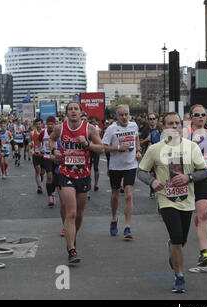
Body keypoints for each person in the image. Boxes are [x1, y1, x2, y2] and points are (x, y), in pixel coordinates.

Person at [138, 112, 207, 293]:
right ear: (163, 127)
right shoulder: (154, 149)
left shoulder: (192, 147)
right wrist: (152, 182)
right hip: (166, 200)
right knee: (177, 237)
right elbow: (141, 171)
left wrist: (188, 177)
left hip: (187, 200)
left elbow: (203, 172)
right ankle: (179, 276)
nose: (175, 126)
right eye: (170, 124)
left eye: (177, 123)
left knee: (181, 239)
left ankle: (174, 250)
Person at [49, 101, 104, 264]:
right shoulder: (60, 128)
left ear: (81, 112)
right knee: (71, 212)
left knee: (79, 214)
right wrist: (54, 151)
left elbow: (101, 148)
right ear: (66, 113)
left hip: (84, 174)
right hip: (66, 173)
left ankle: (72, 237)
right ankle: (71, 249)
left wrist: (86, 143)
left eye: (76, 109)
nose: (73, 112)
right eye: (70, 109)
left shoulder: (89, 129)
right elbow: (52, 140)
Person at [102, 105, 142, 241]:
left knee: (129, 195)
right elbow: (104, 148)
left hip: (130, 165)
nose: (124, 117)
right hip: (115, 167)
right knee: (115, 196)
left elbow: (136, 138)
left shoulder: (134, 125)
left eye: (126, 114)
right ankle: (114, 218)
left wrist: (138, 150)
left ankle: (127, 226)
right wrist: (118, 147)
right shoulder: (111, 129)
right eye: (121, 115)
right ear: (116, 116)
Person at [183, 104, 207, 266]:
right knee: (183, 217)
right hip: (185, 178)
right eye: (197, 114)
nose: (200, 117)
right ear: (190, 117)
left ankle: (204, 252)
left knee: (203, 214)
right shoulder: (185, 132)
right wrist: (190, 143)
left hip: (202, 176)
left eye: (203, 114)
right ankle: (176, 243)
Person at [39, 117, 58, 206]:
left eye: (52, 124)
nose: (50, 126)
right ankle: (50, 196)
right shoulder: (43, 132)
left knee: (55, 177)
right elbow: (38, 141)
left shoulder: (58, 132)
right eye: (48, 124)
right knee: (49, 175)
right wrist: (40, 149)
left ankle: (52, 192)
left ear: (55, 124)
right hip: (47, 156)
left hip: (56, 157)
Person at [31, 118, 45, 194]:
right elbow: (30, 140)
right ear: (35, 125)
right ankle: (39, 187)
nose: (38, 125)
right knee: (37, 170)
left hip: (44, 154)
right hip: (36, 154)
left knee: (42, 171)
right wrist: (31, 145)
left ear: (42, 124)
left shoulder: (45, 132)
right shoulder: (32, 133)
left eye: (39, 124)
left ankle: (41, 176)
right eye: (37, 124)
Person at [89, 117, 102, 192]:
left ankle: (96, 184)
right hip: (89, 149)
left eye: (94, 123)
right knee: (89, 167)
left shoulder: (98, 129)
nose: (94, 125)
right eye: (92, 123)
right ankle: (89, 183)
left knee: (96, 167)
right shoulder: (87, 129)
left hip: (96, 149)